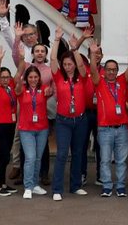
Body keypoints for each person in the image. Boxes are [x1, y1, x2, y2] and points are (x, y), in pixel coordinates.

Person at [48, 29, 92, 198]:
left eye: (70, 64)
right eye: (65, 64)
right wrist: (57, 39)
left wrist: (75, 49)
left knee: (78, 153)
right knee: (61, 154)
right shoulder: (59, 77)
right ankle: (57, 189)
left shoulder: (82, 77)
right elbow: (52, 59)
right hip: (63, 121)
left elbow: (82, 66)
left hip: (80, 120)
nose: (67, 67)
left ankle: (75, 185)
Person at [90, 36, 128, 197]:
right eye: (109, 69)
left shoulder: (122, 81)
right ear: (105, 70)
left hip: (122, 128)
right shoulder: (99, 82)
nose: (112, 72)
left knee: (121, 160)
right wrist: (94, 54)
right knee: (105, 160)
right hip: (105, 129)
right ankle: (107, 186)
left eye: (114, 69)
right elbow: (93, 70)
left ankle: (120, 187)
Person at [16, 61, 53, 199]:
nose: (33, 80)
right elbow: (17, 82)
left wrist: (50, 90)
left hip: (42, 129)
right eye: (30, 77)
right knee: (30, 158)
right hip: (26, 129)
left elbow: (52, 89)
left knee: (38, 158)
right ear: (26, 78)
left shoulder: (44, 89)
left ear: (39, 78)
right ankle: (28, 186)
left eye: (35, 77)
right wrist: (20, 59)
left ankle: (35, 184)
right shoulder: (21, 89)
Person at [0, 47, 18, 196]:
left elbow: (19, 73)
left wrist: (21, 56)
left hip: (10, 125)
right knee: (4, 155)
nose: (5, 79)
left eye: (7, 77)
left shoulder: (10, 87)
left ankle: (3, 183)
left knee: (7, 155)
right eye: (3, 77)